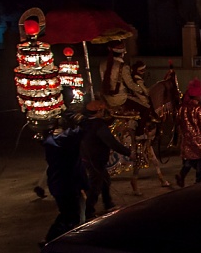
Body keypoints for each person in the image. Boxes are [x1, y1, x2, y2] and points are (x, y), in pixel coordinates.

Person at [40, 113, 88, 246]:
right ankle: (54, 239)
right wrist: (79, 116)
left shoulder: (49, 139)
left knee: (67, 212)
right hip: (69, 182)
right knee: (71, 214)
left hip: (56, 182)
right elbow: (85, 128)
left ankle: (54, 238)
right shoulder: (67, 139)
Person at [80, 100, 132, 220]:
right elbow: (112, 142)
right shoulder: (98, 125)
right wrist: (128, 153)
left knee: (105, 181)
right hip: (95, 160)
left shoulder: (84, 123)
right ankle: (88, 212)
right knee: (95, 186)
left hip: (88, 158)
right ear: (98, 112)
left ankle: (108, 203)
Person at [175, 78, 201, 187]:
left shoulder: (182, 108)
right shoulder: (199, 109)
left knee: (191, 159)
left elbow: (178, 122)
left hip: (187, 138)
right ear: (197, 95)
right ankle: (198, 181)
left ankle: (182, 175)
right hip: (199, 139)